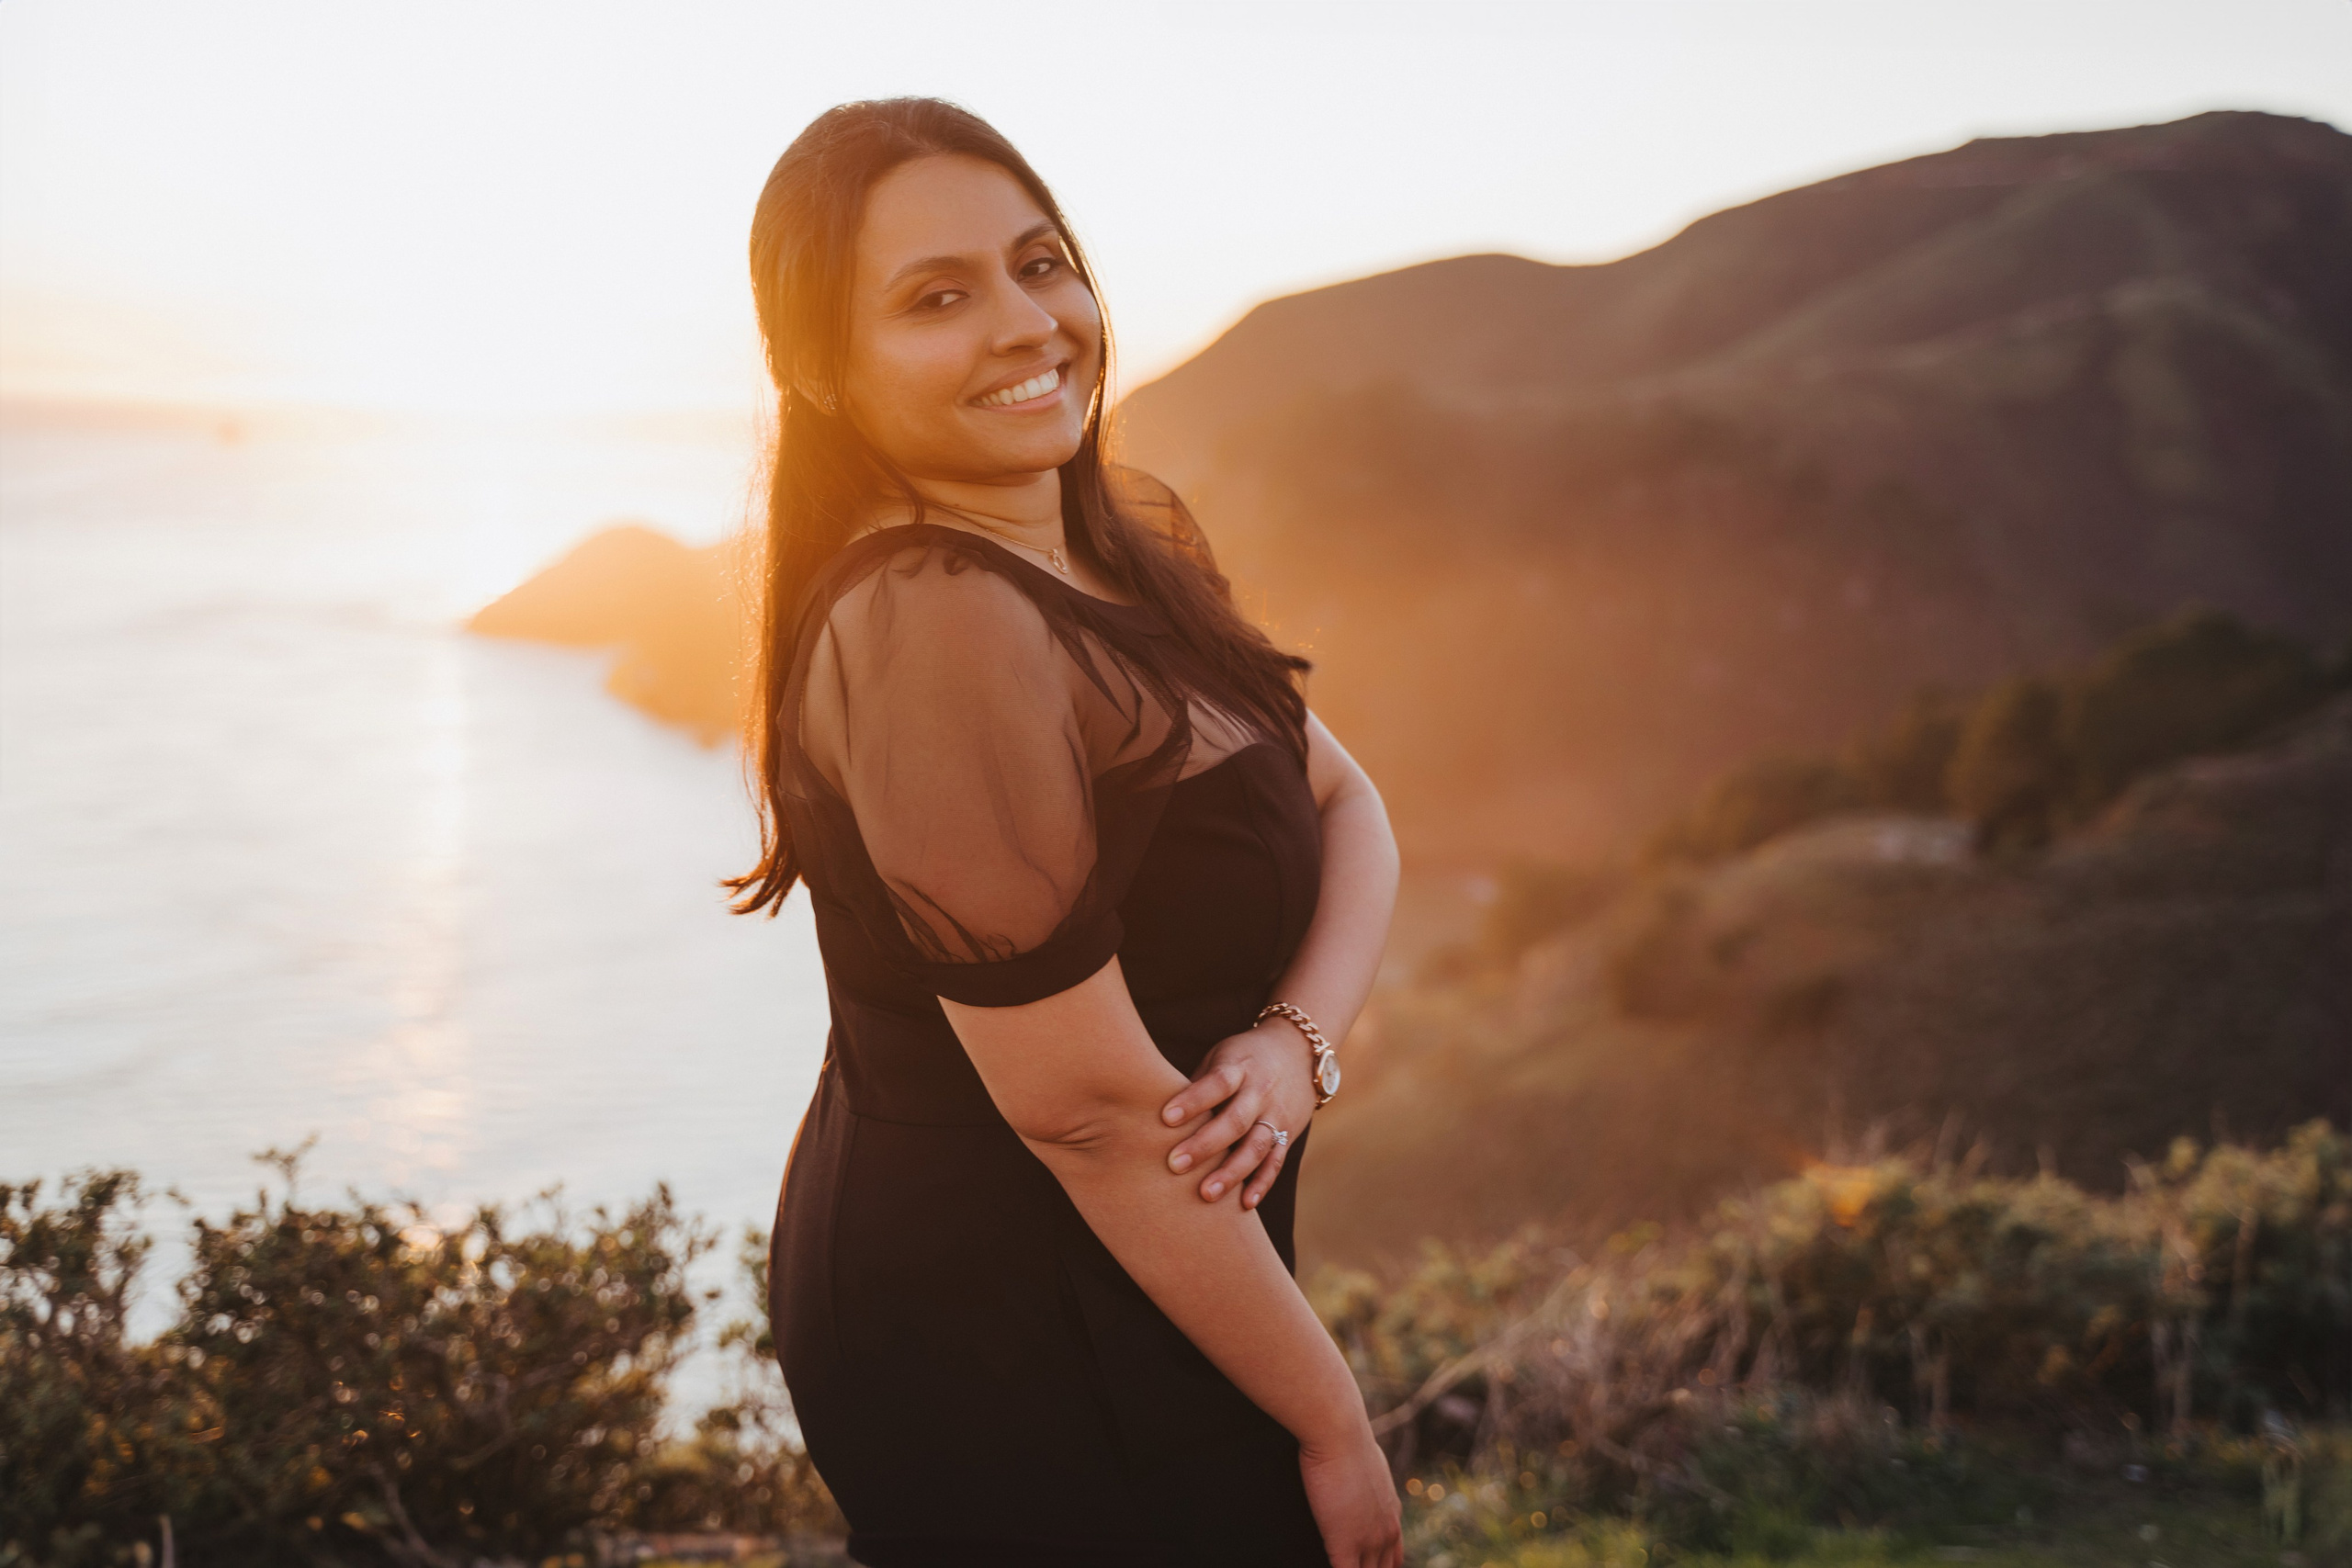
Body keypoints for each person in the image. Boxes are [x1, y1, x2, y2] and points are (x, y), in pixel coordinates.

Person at [729, 97, 1402, 1568]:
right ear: (823, 366)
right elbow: (1088, 1115)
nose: (1028, 324)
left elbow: (1346, 802)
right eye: (937, 298)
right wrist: (1333, 1421)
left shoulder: (1114, 537)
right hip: (1008, 1292)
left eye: (1041, 264)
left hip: (1166, 1236)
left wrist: (1293, 1047)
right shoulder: (936, 629)